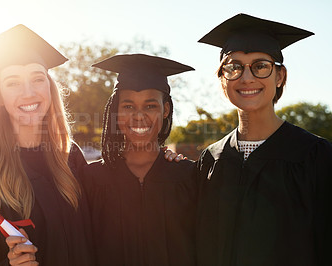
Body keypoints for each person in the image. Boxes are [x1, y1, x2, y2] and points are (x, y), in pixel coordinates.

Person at [196, 13, 332, 265]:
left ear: (279, 76)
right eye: (233, 67)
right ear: (222, 80)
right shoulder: (211, 160)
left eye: (260, 66)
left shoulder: (316, 156)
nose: (246, 77)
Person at [0, 24, 93, 265]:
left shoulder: (71, 157)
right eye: (13, 83)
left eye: (37, 79)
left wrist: (163, 162)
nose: (29, 92)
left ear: (50, 90)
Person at [81, 54, 197, 265]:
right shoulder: (91, 179)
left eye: (150, 106)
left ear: (166, 110)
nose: (138, 115)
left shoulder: (188, 177)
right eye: (128, 106)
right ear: (116, 111)